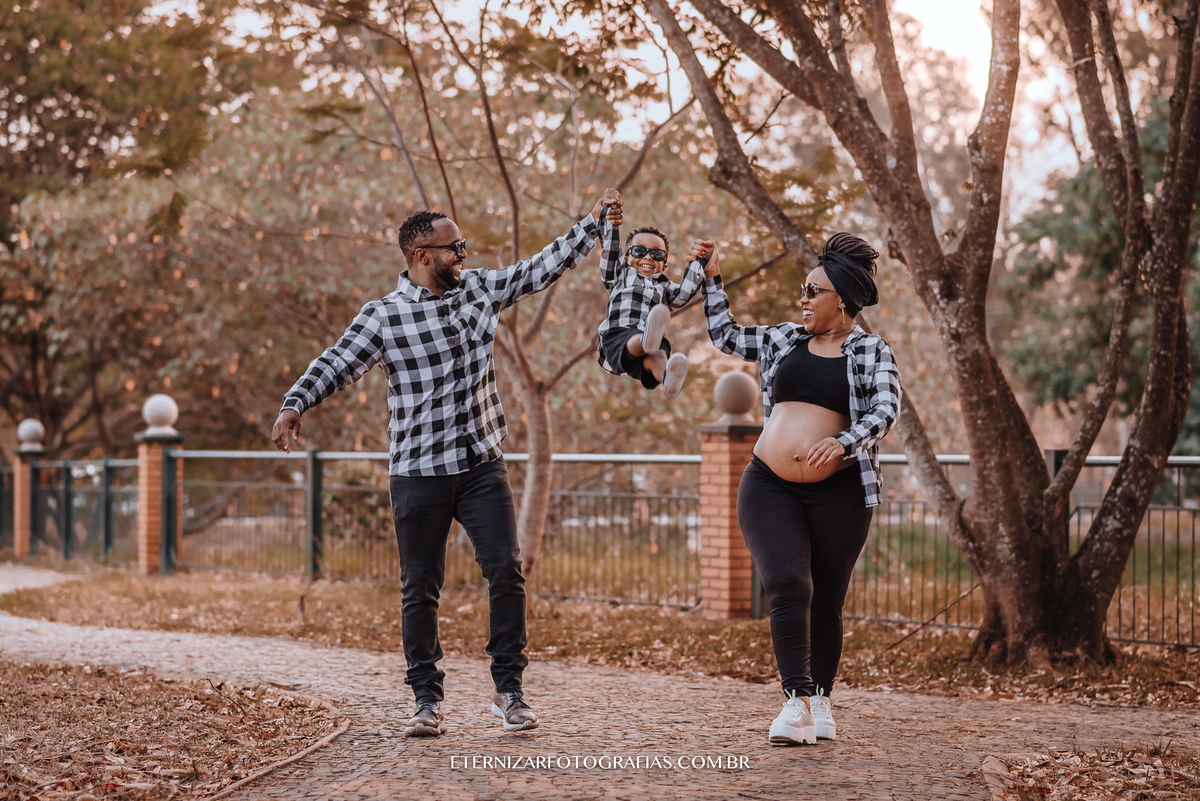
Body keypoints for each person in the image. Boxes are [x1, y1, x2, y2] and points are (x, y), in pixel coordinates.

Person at [271, 189, 624, 737]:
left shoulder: (479, 289)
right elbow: (337, 362)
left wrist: (593, 224)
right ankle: (425, 700)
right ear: (421, 256)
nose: (463, 254)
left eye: (462, 245)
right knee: (420, 587)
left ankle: (509, 691)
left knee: (505, 571)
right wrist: (295, 403)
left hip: (482, 464)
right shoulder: (384, 317)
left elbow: (539, 269)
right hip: (417, 472)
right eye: (452, 247)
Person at [694, 232, 901, 745]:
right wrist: (713, 278)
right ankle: (796, 702)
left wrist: (844, 441)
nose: (802, 300)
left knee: (826, 599)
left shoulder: (871, 350)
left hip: (841, 492)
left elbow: (885, 410)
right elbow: (725, 336)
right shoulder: (783, 339)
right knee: (788, 583)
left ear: (843, 300)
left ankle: (822, 699)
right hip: (769, 484)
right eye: (802, 291)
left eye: (812, 291)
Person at [595, 211, 708, 398]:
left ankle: (668, 380)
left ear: (664, 265)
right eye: (639, 251)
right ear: (626, 257)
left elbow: (684, 294)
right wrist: (611, 220)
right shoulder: (619, 274)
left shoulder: (665, 287)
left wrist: (698, 261)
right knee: (637, 340)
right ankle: (645, 340)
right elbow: (610, 249)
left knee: (658, 356)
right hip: (617, 335)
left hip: (649, 346)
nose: (648, 257)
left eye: (657, 254)